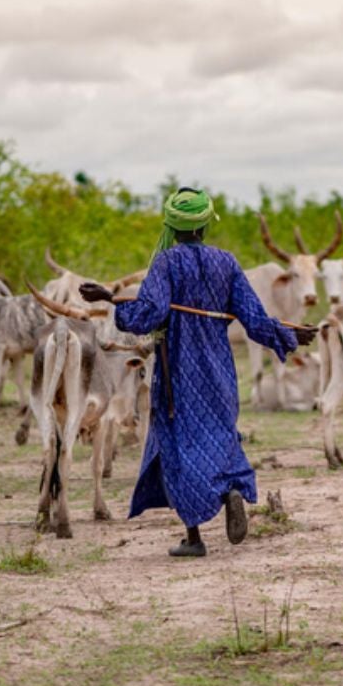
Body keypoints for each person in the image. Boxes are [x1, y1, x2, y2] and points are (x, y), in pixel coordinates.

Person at [80, 188, 315, 558]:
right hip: (219, 370)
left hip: (178, 370)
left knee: (179, 446)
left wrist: (109, 299)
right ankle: (232, 488)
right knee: (222, 435)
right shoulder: (227, 262)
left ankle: (194, 537)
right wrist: (288, 335)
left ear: (172, 227)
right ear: (205, 225)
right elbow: (254, 320)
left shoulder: (166, 263)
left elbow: (148, 315)